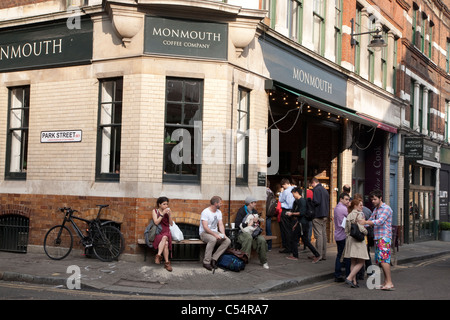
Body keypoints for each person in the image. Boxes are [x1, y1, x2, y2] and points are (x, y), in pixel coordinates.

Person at [359, 189, 394, 291]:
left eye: (375, 199)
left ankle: (389, 282)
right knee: (380, 261)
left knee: (384, 260)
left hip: (384, 237)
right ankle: (385, 282)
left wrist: (365, 222)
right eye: (372, 199)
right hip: (378, 237)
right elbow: (370, 220)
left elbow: (379, 221)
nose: (373, 201)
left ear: (380, 198)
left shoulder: (386, 209)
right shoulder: (376, 209)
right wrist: (361, 224)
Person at [286, 187, 321, 263]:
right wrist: (296, 224)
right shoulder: (300, 201)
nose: (293, 195)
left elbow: (302, 213)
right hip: (302, 223)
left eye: (293, 193)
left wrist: (291, 213)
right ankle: (316, 254)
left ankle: (295, 256)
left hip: (302, 224)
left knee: (295, 239)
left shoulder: (301, 201)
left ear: (296, 192)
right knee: (305, 240)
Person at [235, 196, 269, 269]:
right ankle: (243, 260)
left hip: (253, 232)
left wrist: (257, 221)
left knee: (262, 240)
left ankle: (264, 261)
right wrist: (248, 223)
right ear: (250, 203)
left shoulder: (255, 211)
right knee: (248, 238)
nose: (255, 204)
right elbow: (237, 224)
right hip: (243, 233)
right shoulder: (242, 211)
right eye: (254, 202)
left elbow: (257, 225)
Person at [199, 196, 231, 271]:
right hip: (204, 233)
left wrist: (223, 235)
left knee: (227, 241)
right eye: (220, 203)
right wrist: (215, 235)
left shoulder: (219, 212)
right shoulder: (205, 212)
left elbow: (220, 224)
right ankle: (206, 262)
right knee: (213, 239)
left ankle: (214, 259)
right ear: (215, 203)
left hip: (215, 232)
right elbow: (205, 227)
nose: (221, 204)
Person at [343, 199, 369, 288]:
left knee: (353, 262)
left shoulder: (349, 215)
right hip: (358, 240)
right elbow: (361, 228)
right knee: (362, 261)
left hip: (350, 239)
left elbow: (346, 230)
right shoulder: (359, 214)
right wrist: (366, 232)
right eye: (360, 205)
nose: (362, 207)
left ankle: (354, 282)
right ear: (355, 206)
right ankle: (350, 278)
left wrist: (349, 236)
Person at [152, 196, 173, 272]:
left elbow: (171, 224)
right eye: (164, 204)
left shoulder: (168, 211)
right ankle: (167, 263)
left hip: (167, 231)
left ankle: (158, 256)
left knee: (164, 237)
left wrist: (169, 215)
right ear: (159, 204)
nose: (166, 206)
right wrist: (162, 214)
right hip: (159, 232)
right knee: (166, 244)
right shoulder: (155, 211)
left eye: (167, 204)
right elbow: (156, 222)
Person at [311, 177, 329, 260]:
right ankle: (324, 254)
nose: (311, 186)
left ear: (313, 183)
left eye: (311, 185)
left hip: (318, 215)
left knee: (319, 236)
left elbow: (316, 201)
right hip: (325, 215)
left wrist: (310, 202)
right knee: (324, 235)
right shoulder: (325, 190)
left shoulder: (316, 190)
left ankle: (318, 254)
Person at [333, 192, 350, 282]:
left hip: (338, 234)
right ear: (341, 199)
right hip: (343, 235)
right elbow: (351, 217)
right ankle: (344, 275)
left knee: (340, 255)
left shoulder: (337, 208)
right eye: (346, 199)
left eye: (348, 200)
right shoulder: (343, 209)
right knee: (345, 256)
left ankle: (338, 274)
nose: (348, 201)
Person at [278, 178, 295, 253]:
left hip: (286, 211)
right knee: (292, 229)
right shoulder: (295, 189)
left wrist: (281, 192)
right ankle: (293, 247)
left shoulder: (285, 191)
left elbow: (280, 200)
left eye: (283, 186)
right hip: (293, 212)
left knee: (286, 230)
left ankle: (288, 248)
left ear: (285, 184)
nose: (283, 187)